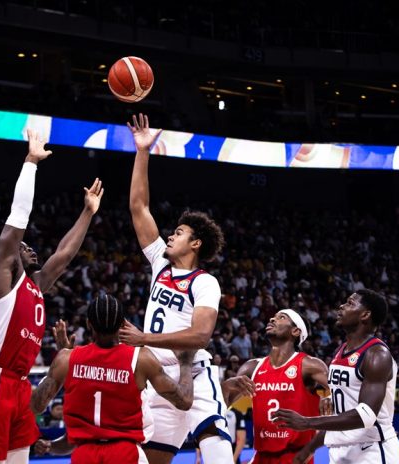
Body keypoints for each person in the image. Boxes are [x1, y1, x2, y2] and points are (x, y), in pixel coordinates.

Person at [0, 130, 104, 464]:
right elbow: (17, 222)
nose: (31, 249)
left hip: (20, 386)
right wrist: (30, 163)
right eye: (24, 248)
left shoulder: (36, 286)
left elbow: (64, 255)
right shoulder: (4, 281)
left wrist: (87, 212)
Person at [119, 113, 231, 464]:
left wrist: (144, 339)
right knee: (153, 458)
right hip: (157, 378)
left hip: (192, 371)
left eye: (179, 233)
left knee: (215, 445)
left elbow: (200, 335)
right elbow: (138, 207)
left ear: (195, 243)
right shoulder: (160, 264)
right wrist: (142, 152)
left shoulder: (205, 282)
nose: (170, 235)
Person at [30, 295, 199, 464]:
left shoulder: (67, 359)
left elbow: (36, 406)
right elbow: (184, 401)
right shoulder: (141, 359)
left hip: (84, 455)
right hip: (126, 453)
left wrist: (60, 360)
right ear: (123, 324)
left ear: (88, 324)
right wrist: (185, 364)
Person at [273, 290, 399, 464]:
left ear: (365, 315)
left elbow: (366, 416)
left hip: (373, 449)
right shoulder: (340, 351)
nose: (341, 306)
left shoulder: (377, 354)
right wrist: (308, 450)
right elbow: (339, 415)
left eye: (350, 303)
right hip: (339, 450)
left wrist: (307, 422)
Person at [224, 309, 331, 464]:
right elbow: (219, 406)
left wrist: (330, 396)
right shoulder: (251, 367)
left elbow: (343, 391)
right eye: (273, 317)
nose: (272, 319)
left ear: (295, 331)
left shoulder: (309, 365)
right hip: (261, 456)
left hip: (296, 457)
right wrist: (226, 387)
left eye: (281, 317)